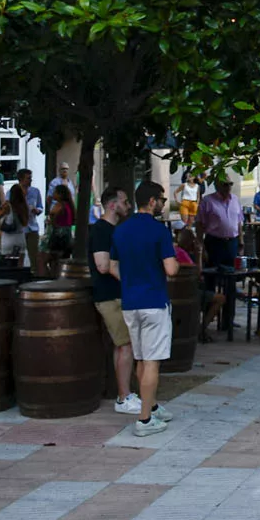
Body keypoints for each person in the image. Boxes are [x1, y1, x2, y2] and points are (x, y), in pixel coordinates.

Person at [109, 181, 178, 437]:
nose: (162, 203)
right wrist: (177, 266)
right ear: (151, 201)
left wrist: (129, 281)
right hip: (154, 302)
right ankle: (145, 419)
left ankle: (151, 405)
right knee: (152, 362)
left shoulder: (121, 230)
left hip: (130, 303)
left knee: (140, 357)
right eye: (161, 198)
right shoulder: (159, 231)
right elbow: (170, 269)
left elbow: (112, 266)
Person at [90, 186, 139, 414]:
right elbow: (102, 265)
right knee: (125, 346)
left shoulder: (114, 230)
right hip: (110, 296)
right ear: (112, 205)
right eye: (124, 201)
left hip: (118, 295)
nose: (127, 205)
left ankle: (124, 393)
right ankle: (123, 397)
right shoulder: (101, 231)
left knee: (124, 345)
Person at [195, 178, 243, 271]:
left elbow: (239, 221)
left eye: (230, 184)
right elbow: (199, 224)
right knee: (212, 273)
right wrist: (201, 246)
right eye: (225, 184)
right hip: (214, 243)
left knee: (231, 274)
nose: (228, 187)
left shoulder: (235, 199)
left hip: (232, 243)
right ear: (217, 185)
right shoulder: (207, 201)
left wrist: (241, 241)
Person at [46, 184, 75, 262]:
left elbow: (54, 219)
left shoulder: (60, 205)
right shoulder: (69, 205)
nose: (53, 194)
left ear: (60, 194)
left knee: (54, 258)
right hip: (67, 232)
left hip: (59, 233)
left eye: (55, 192)